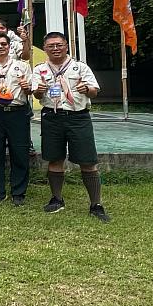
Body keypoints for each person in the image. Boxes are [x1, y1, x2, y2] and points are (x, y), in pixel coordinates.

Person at [32, 32, 109, 222]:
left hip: (78, 118)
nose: (55, 49)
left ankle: (96, 204)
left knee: (87, 160)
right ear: (45, 48)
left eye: (59, 45)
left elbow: (94, 92)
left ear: (66, 46)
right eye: (51, 46)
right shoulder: (40, 69)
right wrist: (38, 91)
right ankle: (57, 199)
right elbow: (36, 95)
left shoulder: (80, 67)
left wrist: (87, 90)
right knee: (54, 158)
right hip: (52, 116)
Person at [0, 32, 32, 205]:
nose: (0, 47)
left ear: (9, 46)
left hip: (17, 112)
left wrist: (27, 87)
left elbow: (31, 90)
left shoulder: (22, 66)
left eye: (3, 44)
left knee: (20, 152)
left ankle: (18, 192)